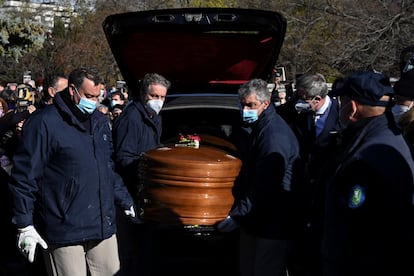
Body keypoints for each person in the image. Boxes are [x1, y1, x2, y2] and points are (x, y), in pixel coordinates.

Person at [8, 66, 139, 276]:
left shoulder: (100, 122)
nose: (93, 102)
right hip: (63, 226)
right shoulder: (45, 123)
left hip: (101, 224)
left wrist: (125, 200)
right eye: (88, 96)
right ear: (72, 90)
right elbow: (25, 175)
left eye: (97, 97)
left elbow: (106, 168)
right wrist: (24, 224)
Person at [322, 70, 414, 276]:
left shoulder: (364, 159)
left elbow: (349, 223)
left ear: (352, 107)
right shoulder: (389, 135)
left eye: (342, 101)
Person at [216, 78, 302, 276]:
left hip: (272, 221)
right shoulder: (258, 129)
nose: (245, 110)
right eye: (243, 104)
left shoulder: (273, 136)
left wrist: (238, 215)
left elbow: (264, 185)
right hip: (256, 219)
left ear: (266, 104)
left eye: (251, 105)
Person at [284, 73, 343, 276]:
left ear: (317, 100)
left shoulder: (340, 114)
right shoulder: (298, 111)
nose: (299, 102)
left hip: (327, 186)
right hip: (302, 184)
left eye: (303, 99)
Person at [112, 72, 171, 276]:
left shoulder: (153, 118)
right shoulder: (132, 119)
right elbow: (124, 158)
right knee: (132, 255)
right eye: (155, 96)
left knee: (146, 252)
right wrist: (150, 167)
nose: (159, 101)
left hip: (146, 193)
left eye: (163, 97)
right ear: (144, 94)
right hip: (131, 192)